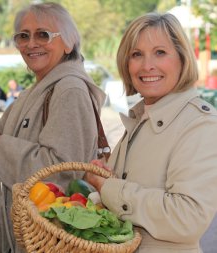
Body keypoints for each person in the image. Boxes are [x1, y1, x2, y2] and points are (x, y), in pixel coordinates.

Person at [0, 2, 105, 251]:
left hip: (51, 238)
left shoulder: (69, 90)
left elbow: (61, 171)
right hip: (30, 235)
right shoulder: (38, 89)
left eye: (43, 34)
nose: (31, 43)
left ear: (68, 42)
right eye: (23, 36)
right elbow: (2, 133)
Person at [84, 12, 217, 252]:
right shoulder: (142, 117)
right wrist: (103, 182)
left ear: (182, 59)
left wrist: (108, 188)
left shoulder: (200, 124)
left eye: (160, 52)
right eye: (137, 54)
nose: (147, 66)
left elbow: (187, 218)